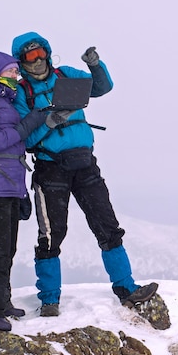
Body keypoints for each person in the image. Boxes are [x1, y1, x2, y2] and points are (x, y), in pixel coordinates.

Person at [11, 32, 158, 317]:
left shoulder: (66, 75)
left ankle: (126, 289)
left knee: (107, 225)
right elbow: (24, 139)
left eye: (41, 52)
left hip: (85, 164)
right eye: (30, 56)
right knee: (52, 235)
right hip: (50, 167)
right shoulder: (22, 93)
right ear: (22, 60)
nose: (38, 59)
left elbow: (101, 88)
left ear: (48, 52)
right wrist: (50, 122)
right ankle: (50, 300)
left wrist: (95, 66)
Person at [0, 50, 73, 330]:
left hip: (10, 185)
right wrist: (28, 125)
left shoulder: (6, 101)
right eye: (11, 71)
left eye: (16, 71)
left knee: (8, 249)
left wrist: (22, 192)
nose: (16, 75)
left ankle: (2, 301)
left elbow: (16, 148)